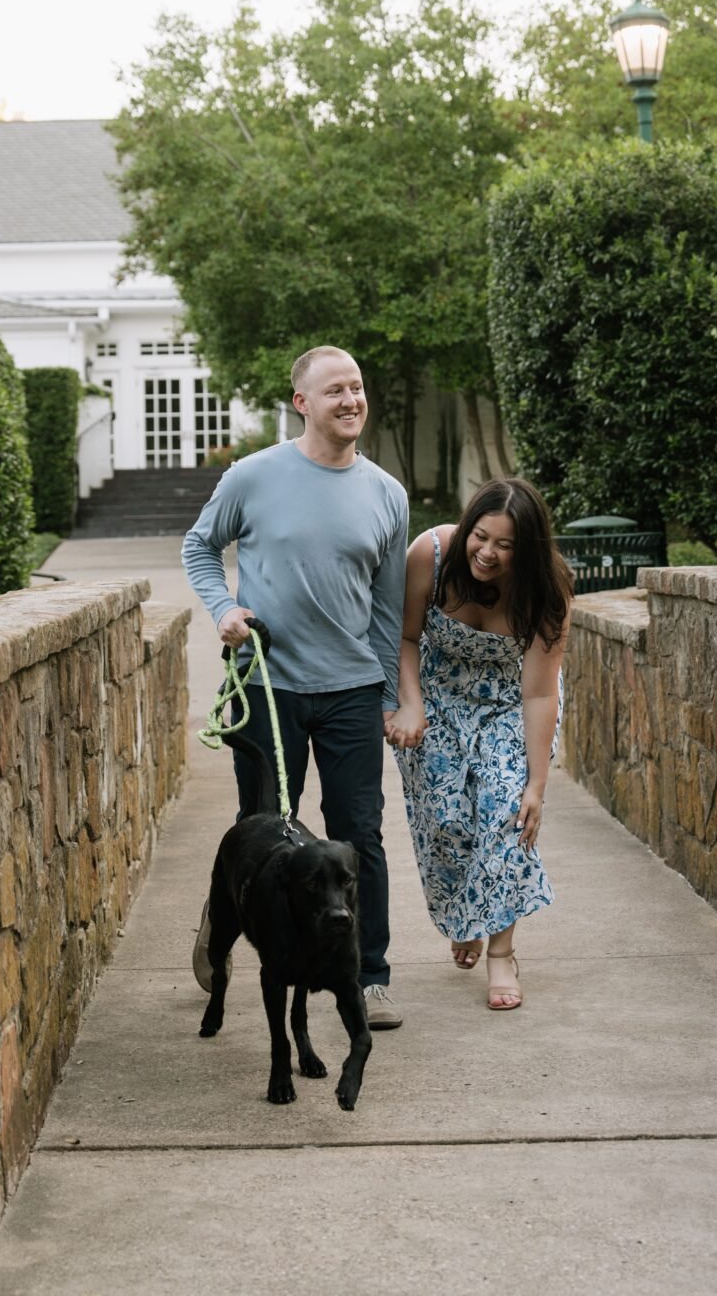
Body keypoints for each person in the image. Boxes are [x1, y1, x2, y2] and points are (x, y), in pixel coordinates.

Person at [182, 345, 409, 1029]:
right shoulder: (253, 477)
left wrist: (394, 697)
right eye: (335, 390)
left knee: (358, 837)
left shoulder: (387, 494)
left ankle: (368, 976)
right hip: (267, 683)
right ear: (301, 403)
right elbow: (198, 548)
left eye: (358, 388)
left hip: (351, 692)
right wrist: (225, 610)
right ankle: (233, 935)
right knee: (262, 833)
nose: (351, 400)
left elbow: (390, 610)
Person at [384, 477, 573, 1011]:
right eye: (481, 537)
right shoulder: (434, 552)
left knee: (507, 817)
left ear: (527, 550)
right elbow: (403, 636)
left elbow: (538, 692)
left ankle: (501, 953)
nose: (487, 553)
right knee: (446, 823)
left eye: (505, 545)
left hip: (507, 706)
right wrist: (410, 703)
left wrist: (536, 784)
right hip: (433, 697)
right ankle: (466, 915)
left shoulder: (547, 590)